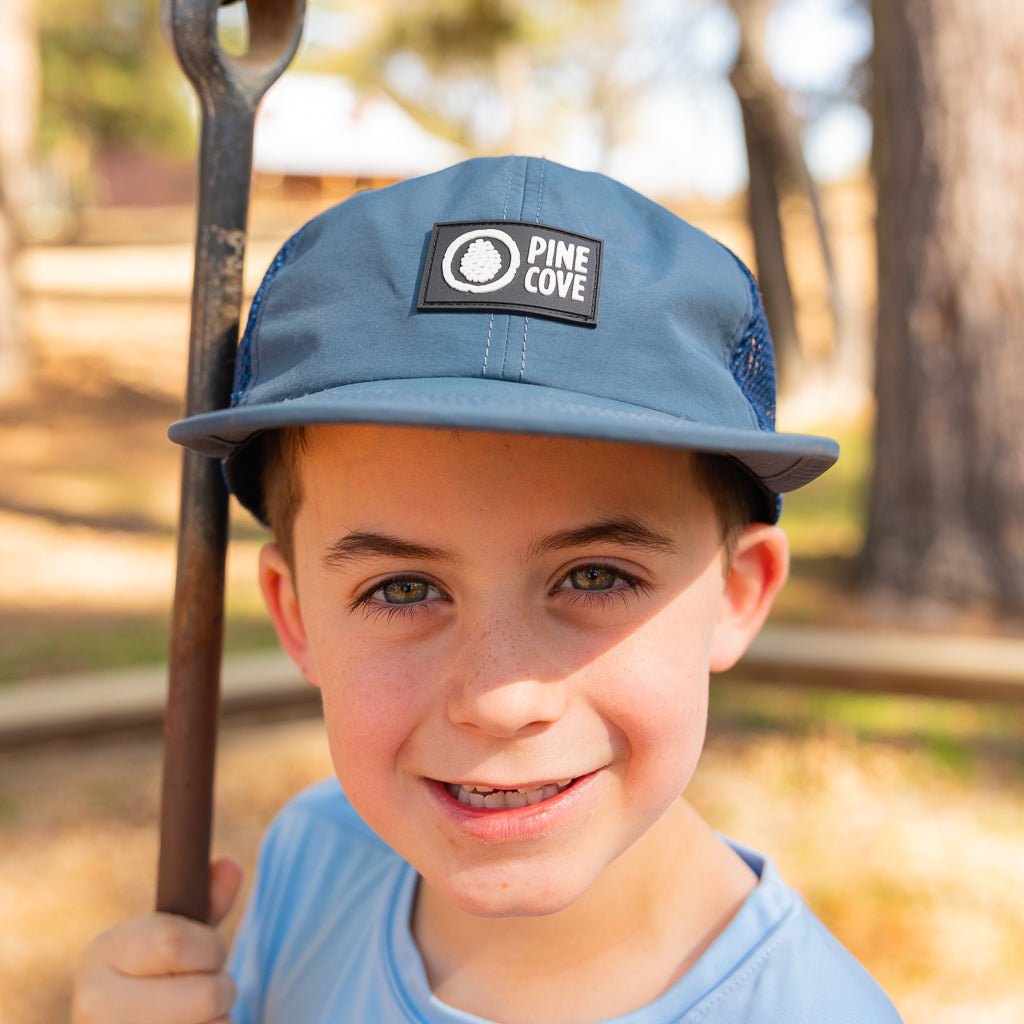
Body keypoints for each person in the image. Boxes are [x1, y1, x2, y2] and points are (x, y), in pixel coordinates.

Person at [72, 156, 902, 1023]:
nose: (501, 701)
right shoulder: (315, 857)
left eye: (595, 576)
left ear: (736, 594)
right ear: (297, 614)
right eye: (403, 588)